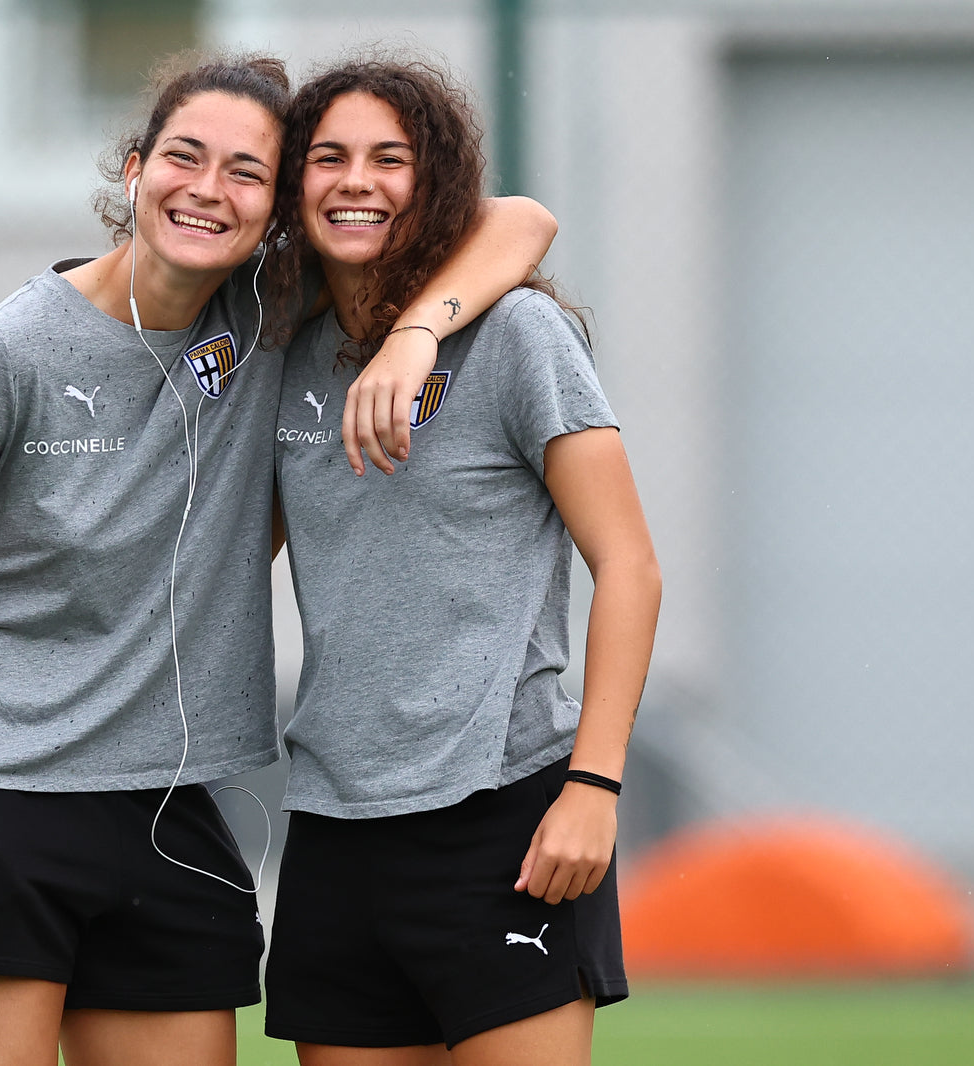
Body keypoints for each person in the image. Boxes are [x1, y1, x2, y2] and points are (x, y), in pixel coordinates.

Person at [0, 52, 558, 1066]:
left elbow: (518, 221)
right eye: (185, 157)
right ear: (133, 171)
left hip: (172, 813)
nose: (206, 189)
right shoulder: (4, 356)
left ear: (274, 211)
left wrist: (412, 339)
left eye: (246, 172)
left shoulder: (270, 318)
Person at [264, 59, 662, 1066]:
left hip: (507, 817)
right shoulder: (280, 350)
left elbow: (629, 567)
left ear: (434, 184)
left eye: (389, 159)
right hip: (333, 827)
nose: (357, 180)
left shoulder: (517, 335)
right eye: (329, 157)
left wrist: (595, 786)